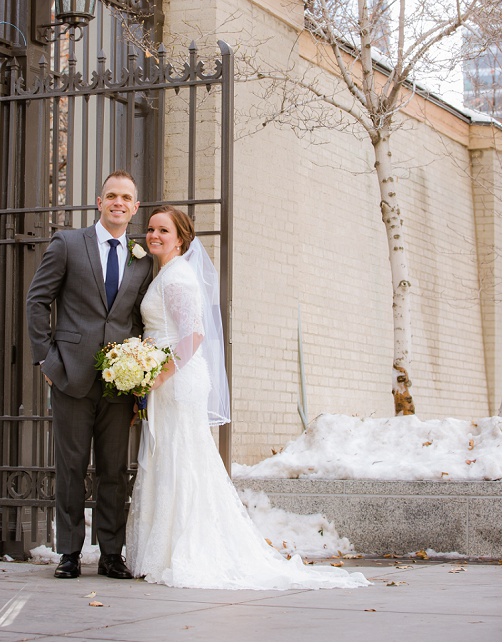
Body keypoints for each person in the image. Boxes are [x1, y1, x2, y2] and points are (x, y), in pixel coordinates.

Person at [125, 206, 368, 589]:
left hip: (176, 380)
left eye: (163, 230)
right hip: (167, 379)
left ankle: (184, 549)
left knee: (180, 458)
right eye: (151, 228)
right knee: (171, 457)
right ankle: (164, 547)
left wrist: (158, 376)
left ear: (181, 238)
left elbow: (193, 337)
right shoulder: (167, 274)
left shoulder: (178, 279)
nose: (154, 235)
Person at [26, 170, 154, 580]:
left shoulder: (142, 257)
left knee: (114, 470)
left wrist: (138, 370)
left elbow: (137, 317)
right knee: (71, 467)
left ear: (135, 207)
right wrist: (46, 359)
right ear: (99, 203)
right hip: (70, 375)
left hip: (120, 382)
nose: (119, 202)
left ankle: (111, 554)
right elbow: (38, 299)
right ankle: (68, 553)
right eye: (111, 196)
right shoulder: (68, 243)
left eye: (127, 198)